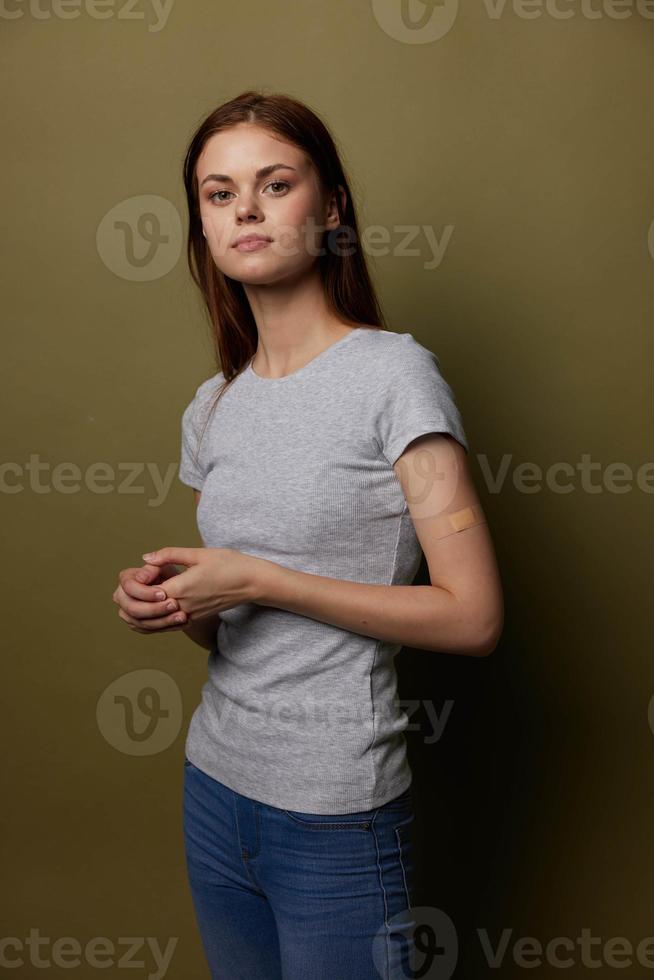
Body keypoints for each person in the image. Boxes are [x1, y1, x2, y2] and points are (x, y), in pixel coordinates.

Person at [112, 90, 504, 980]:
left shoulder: (395, 376)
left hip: (335, 813)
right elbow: (229, 618)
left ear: (328, 210)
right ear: (203, 227)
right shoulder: (213, 406)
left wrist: (257, 578)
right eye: (218, 194)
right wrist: (181, 597)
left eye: (274, 183)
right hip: (214, 790)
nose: (245, 209)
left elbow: (474, 617)